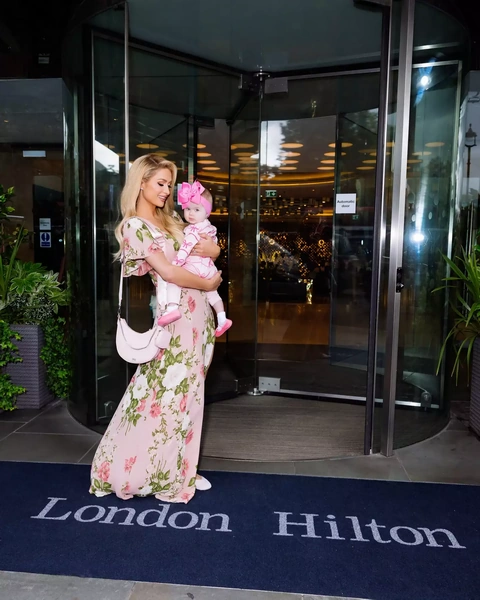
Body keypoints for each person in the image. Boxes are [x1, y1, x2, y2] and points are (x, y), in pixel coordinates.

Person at [89, 154, 222, 503]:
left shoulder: (172, 220)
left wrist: (213, 249)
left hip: (199, 319)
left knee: (188, 397)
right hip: (175, 322)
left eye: (169, 184)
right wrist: (209, 285)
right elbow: (169, 272)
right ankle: (137, 469)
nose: (166, 191)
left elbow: (208, 248)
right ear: (141, 182)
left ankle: (180, 468)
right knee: (158, 394)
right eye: (160, 183)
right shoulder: (135, 227)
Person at [156, 180, 232, 337]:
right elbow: (213, 244)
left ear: (207, 212)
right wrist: (214, 251)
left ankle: (172, 308)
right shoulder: (210, 227)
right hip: (209, 268)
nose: (191, 213)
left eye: (196, 209)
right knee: (213, 294)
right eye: (188, 209)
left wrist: (177, 263)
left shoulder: (192, 229)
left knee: (173, 281)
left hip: (195, 267)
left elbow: (186, 247)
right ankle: (222, 318)